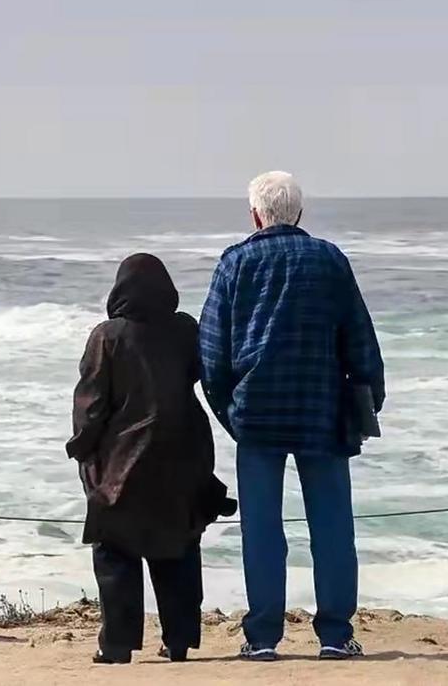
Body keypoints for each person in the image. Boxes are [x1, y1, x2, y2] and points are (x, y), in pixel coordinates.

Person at [199, 171, 385, 662]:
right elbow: (359, 337)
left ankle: (262, 638)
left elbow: (212, 352)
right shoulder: (329, 259)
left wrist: (230, 413)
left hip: (257, 415)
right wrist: (371, 397)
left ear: (255, 215)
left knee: (262, 529)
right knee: (332, 526)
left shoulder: (235, 262)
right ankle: (336, 635)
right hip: (321, 411)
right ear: (299, 213)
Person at [67, 253, 232, 665]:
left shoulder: (107, 336)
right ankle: (178, 642)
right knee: (178, 547)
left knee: (115, 551)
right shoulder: (184, 330)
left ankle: (118, 645)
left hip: (121, 464)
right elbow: (203, 374)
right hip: (184, 456)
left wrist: (82, 449)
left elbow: (91, 405)